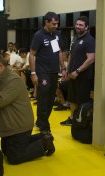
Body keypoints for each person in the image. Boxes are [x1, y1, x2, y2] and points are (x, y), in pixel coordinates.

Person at [0, 54, 55, 165]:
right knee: (6, 151)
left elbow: (0, 100)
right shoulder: (3, 79)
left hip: (19, 125)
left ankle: (44, 143)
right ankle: (43, 136)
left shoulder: (12, 80)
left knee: (14, 157)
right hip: (13, 124)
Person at [29, 12, 66, 141]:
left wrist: (63, 67)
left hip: (54, 71)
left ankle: (40, 121)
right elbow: (32, 54)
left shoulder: (57, 35)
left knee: (51, 99)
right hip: (42, 71)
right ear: (46, 22)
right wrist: (33, 73)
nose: (56, 26)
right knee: (43, 97)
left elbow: (59, 52)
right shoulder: (38, 36)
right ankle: (45, 127)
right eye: (53, 23)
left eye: (57, 23)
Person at [60, 16, 95, 126]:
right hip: (72, 75)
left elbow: (91, 59)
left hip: (83, 77)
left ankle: (80, 120)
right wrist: (67, 70)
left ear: (87, 27)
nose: (78, 27)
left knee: (81, 100)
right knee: (72, 99)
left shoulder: (90, 40)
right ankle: (72, 118)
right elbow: (71, 56)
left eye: (81, 25)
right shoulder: (75, 38)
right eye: (77, 24)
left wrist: (77, 71)